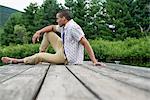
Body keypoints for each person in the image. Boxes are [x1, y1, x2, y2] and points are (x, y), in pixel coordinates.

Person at [1, 9, 106, 67]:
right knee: (48, 33)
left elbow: (85, 42)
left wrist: (94, 61)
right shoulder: (65, 26)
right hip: (64, 48)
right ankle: (42, 53)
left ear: (64, 19)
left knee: (39, 56)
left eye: (58, 19)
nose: (57, 21)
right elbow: (51, 27)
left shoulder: (73, 27)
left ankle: (17, 60)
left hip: (66, 58)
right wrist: (39, 32)